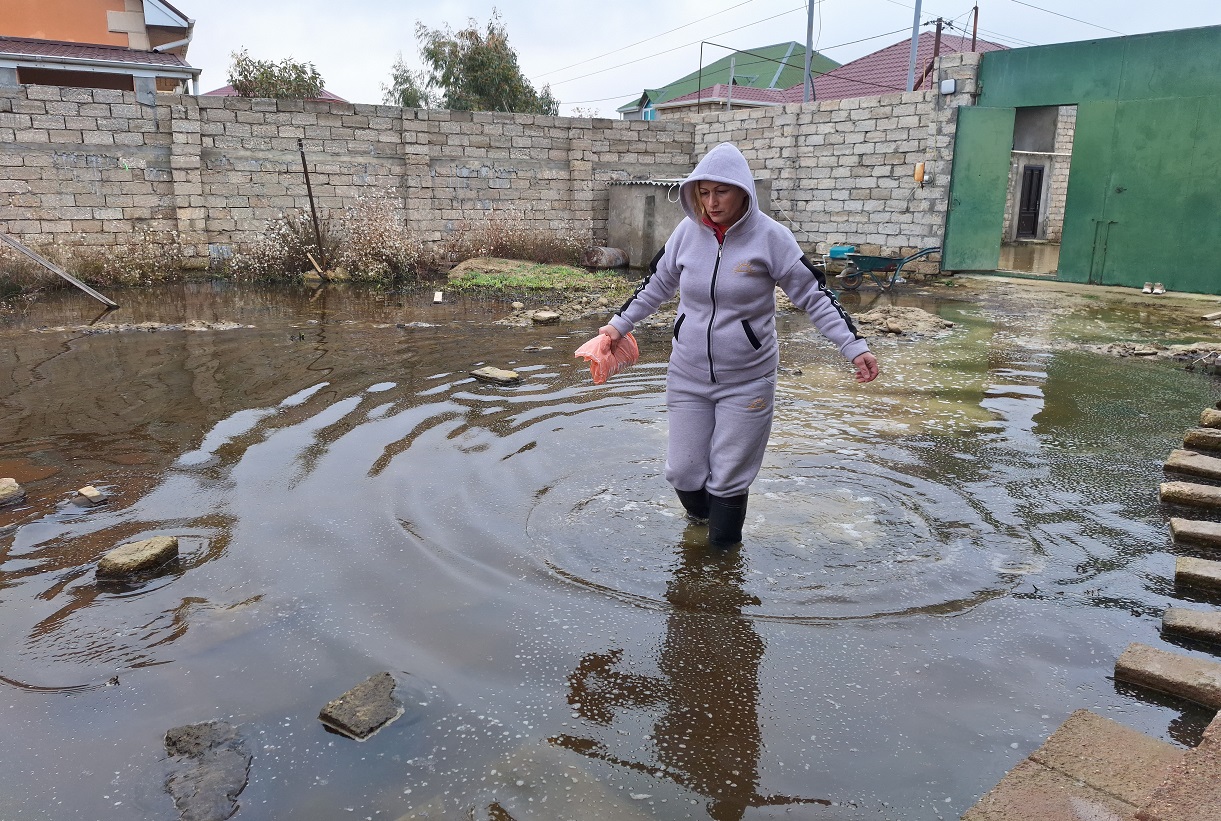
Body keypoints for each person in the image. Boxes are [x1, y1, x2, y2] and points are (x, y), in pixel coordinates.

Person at [598, 142, 879, 548]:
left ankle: (722, 565)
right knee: (682, 471)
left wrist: (854, 347)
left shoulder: (772, 238)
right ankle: (702, 530)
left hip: (748, 379)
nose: (711, 202)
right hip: (688, 374)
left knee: (728, 476)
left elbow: (814, 295)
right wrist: (616, 327)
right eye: (703, 192)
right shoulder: (686, 233)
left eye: (721, 192)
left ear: (743, 190)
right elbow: (655, 284)